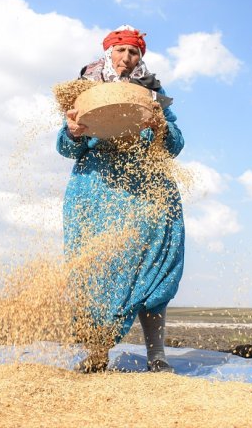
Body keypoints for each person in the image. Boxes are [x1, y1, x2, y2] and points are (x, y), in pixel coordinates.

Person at [56, 25, 185, 373]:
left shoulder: (153, 92)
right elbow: (65, 146)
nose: (127, 58)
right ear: (108, 52)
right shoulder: (86, 88)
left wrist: (160, 127)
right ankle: (97, 354)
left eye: (134, 53)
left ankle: (156, 356)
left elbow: (175, 144)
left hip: (147, 190)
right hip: (97, 192)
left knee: (153, 267)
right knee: (95, 269)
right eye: (121, 51)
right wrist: (73, 132)